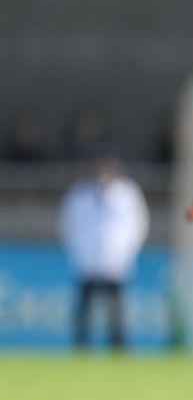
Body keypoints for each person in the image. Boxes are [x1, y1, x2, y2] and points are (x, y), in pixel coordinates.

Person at [58, 149, 150, 349]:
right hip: (88, 262)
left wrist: (125, 254)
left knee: (116, 314)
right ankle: (82, 349)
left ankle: (118, 349)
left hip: (116, 263)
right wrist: (80, 254)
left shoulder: (127, 193)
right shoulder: (80, 193)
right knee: (85, 312)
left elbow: (139, 225)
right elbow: (68, 225)